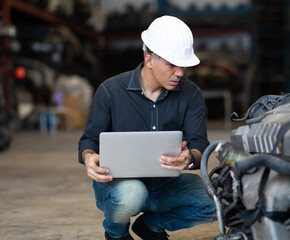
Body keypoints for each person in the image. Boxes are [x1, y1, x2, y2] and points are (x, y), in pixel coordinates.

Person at [78, 15, 216, 240]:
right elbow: (89, 140)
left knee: (214, 202)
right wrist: (89, 157)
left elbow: (199, 143)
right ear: (150, 60)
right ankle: (116, 232)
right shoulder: (110, 91)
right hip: (120, 187)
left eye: (183, 66)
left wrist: (189, 157)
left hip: (164, 184)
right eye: (172, 65)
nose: (180, 72)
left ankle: (151, 226)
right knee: (133, 193)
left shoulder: (191, 94)